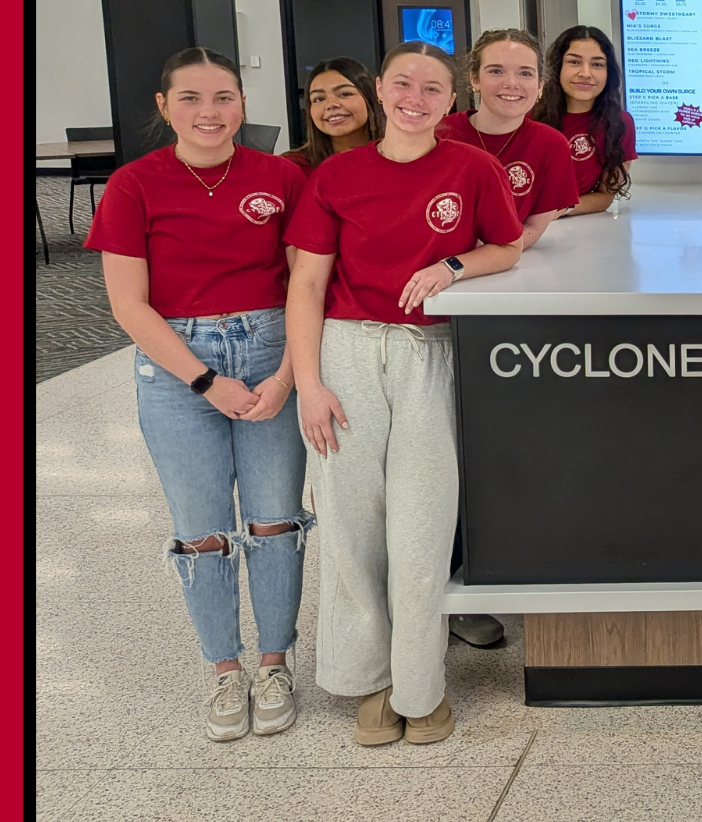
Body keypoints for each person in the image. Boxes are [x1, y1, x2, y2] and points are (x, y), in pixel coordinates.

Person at [285, 41, 525, 747]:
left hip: (431, 353)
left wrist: (453, 265)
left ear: (451, 100)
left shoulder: (471, 167)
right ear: (380, 91)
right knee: (352, 520)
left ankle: (422, 685)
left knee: (421, 522)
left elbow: (505, 248)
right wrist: (309, 384)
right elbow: (306, 283)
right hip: (348, 351)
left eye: (431, 88)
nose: (414, 98)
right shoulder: (337, 175)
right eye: (402, 84)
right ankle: (370, 681)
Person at [87, 47, 312, 742]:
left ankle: (275, 663)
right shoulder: (135, 184)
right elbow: (130, 305)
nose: (209, 112)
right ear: (163, 106)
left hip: (274, 350)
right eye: (190, 98)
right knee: (201, 533)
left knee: (276, 520)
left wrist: (286, 378)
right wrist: (207, 381)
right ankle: (225, 670)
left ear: (243, 103)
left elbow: (308, 284)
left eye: (223, 97)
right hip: (178, 367)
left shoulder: (282, 177)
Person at [437, 28, 579, 248]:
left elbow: (532, 230)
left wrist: (482, 258)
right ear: (475, 79)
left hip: (506, 268)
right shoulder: (438, 135)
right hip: (432, 266)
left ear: (540, 85)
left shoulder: (552, 145)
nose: (511, 83)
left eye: (525, 73)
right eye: (496, 71)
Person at [534, 24, 635, 216]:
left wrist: (560, 210)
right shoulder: (529, 117)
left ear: (608, 73)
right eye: (574, 62)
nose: (585, 73)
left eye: (597, 64)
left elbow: (605, 197)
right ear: (558, 68)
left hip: (575, 227)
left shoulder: (620, 124)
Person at [284, 57, 382, 176]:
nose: (331, 105)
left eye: (345, 94)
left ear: (371, 97)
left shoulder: (399, 158)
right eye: (319, 99)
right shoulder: (292, 167)